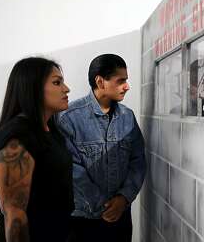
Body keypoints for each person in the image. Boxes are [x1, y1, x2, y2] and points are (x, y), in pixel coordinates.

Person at [57, 54, 146, 242]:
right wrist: (104, 206)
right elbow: (70, 169)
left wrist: (123, 199)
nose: (127, 86)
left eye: (126, 80)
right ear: (100, 81)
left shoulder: (128, 117)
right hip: (82, 221)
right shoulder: (69, 118)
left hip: (121, 219)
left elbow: (138, 162)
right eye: (121, 81)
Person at [0, 57, 73, 242]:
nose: (66, 89)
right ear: (33, 88)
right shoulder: (17, 138)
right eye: (57, 82)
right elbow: (15, 216)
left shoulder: (50, 129)